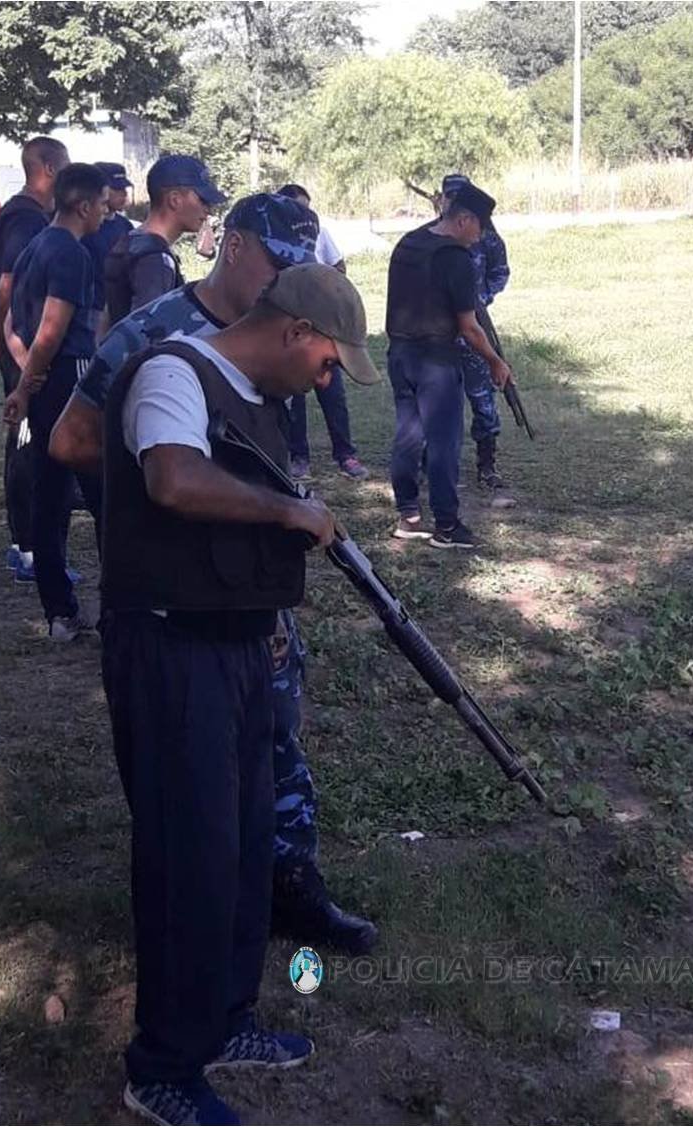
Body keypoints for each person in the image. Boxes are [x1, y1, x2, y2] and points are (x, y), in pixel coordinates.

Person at [49, 194, 379, 955]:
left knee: (273, 737)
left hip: (251, 583)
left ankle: (284, 886)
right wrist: (169, 475)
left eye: (303, 271)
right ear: (232, 247)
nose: (287, 284)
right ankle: (198, 922)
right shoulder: (155, 335)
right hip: (181, 594)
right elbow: (71, 440)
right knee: (192, 770)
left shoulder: (282, 340)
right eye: (278, 265)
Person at [102, 263, 380, 1125]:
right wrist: (283, 511)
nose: (328, 380)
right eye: (330, 362)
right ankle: (163, 1068)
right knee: (189, 856)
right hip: (170, 646)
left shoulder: (250, 394)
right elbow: (174, 481)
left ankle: (225, 1021)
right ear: (296, 330)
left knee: (243, 848)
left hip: (235, 647)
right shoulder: (171, 373)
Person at [1, 162, 107, 640]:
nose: (106, 210)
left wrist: (25, 374)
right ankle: (123, 609)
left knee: (50, 494)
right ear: (84, 205)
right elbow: (52, 329)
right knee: (105, 494)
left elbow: (8, 321)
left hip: (43, 379)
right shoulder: (71, 252)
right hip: (71, 377)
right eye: (103, 203)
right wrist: (28, 384)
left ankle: (59, 614)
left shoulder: (34, 247)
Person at [385, 183, 512, 549]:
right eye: (480, 227)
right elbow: (470, 327)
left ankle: (408, 517)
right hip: (436, 362)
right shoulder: (455, 259)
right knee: (443, 443)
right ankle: (446, 526)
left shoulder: (409, 242)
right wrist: (495, 362)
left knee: (408, 436)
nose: (481, 236)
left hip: (400, 353)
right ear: (464, 219)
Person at [0, 136, 69, 579]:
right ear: (48, 167)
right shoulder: (24, 220)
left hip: (23, 343)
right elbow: (7, 287)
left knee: (30, 439)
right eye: (65, 166)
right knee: (28, 441)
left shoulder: (32, 215)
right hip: (23, 347)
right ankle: (27, 546)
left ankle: (27, 542)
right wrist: (1, 343)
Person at [276, 183, 368, 482]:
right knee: (294, 398)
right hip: (287, 331)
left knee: (333, 393)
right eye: (295, 207)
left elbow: (339, 267)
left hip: (322, 329)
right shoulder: (273, 240)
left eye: (305, 207)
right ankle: (298, 456)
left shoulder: (318, 232)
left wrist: (322, 287)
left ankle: (346, 455)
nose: (302, 214)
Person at [441, 173, 514, 506]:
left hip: (476, 326)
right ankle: (435, 462)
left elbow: (501, 271)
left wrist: (482, 296)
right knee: (439, 401)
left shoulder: (487, 236)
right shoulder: (435, 236)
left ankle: (487, 464)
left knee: (483, 400)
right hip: (442, 332)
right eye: (447, 196)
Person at [103, 154, 225, 324]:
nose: (208, 209)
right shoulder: (154, 258)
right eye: (203, 200)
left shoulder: (129, 241)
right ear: (175, 200)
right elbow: (147, 332)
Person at [82, 161, 134, 341]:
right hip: (91, 307)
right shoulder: (87, 227)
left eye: (125, 189)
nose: (124, 195)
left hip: (117, 308)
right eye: (117, 189)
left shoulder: (125, 226)